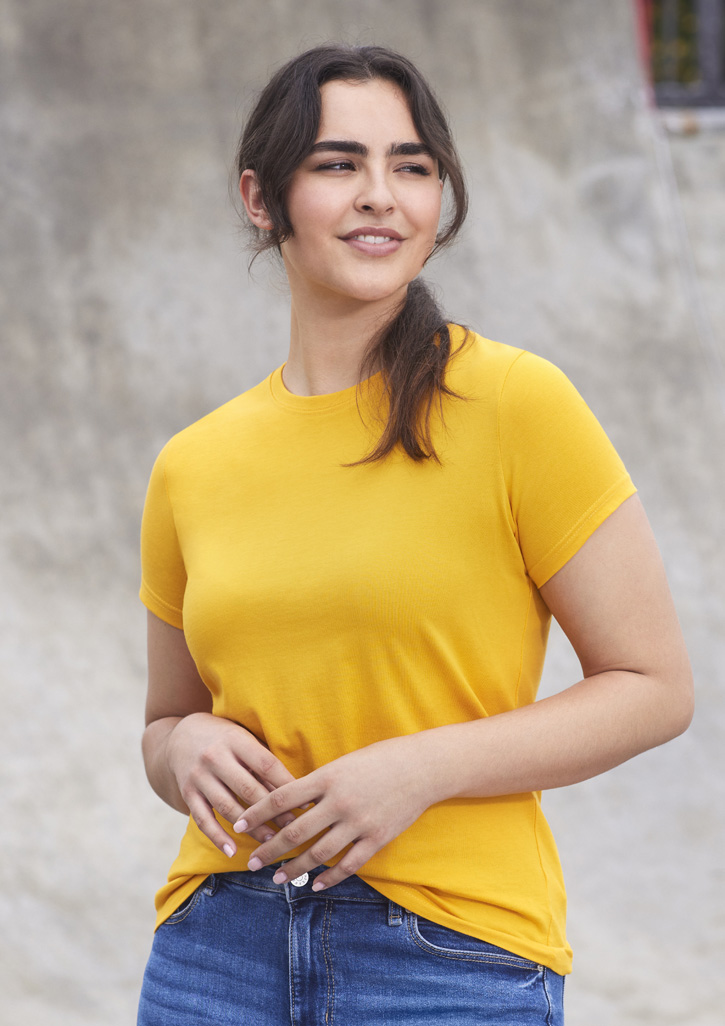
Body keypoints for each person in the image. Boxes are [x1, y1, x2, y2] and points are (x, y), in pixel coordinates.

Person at [136, 44, 693, 1026]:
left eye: (412, 165)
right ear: (260, 198)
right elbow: (164, 725)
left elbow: (652, 688)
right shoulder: (192, 463)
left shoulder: (514, 404)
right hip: (216, 948)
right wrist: (184, 750)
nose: (379, 195)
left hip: (444, 956)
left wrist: (417, 771)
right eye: (337, 163)